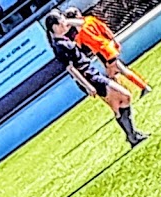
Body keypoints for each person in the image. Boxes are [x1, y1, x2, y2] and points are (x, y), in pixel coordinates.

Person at [44, 11, 148, 147]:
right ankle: (132, 135)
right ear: (55, 26)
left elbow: (84, 22)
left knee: (118, 104)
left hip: (93, 74)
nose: (66, 24)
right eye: (63, 21)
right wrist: (88, 86)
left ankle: (132, 136)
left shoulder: (63, 40)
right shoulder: (60, 46)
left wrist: (68, 21)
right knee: (125, 96)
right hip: (91, 78)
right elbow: (71, 69)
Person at [62, 7, 151, 95]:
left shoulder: (81, 31)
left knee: (119, 72)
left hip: (104, 52)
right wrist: (114, 40)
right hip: (107, 48)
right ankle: (128, 91)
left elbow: (79, 44)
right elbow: (105, 29)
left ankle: (142, 87)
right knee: (113, 75)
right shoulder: (90, 20)